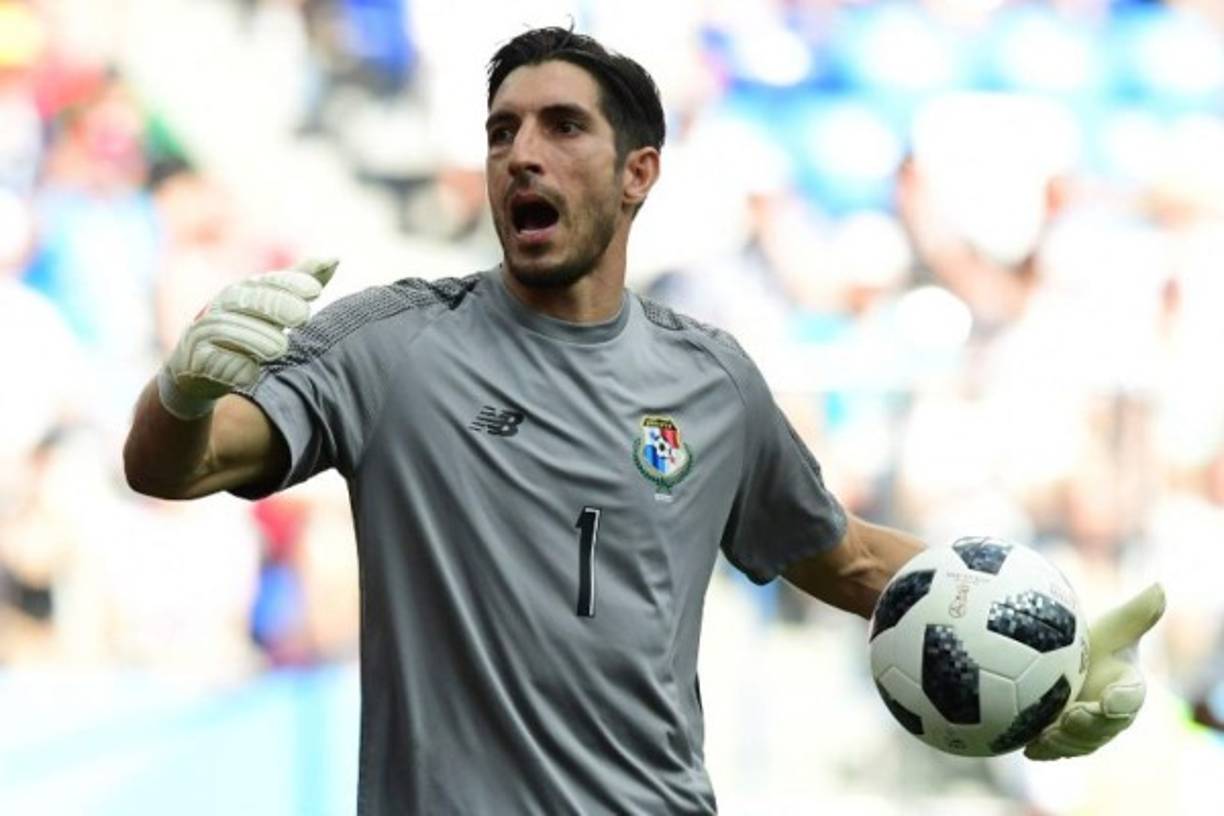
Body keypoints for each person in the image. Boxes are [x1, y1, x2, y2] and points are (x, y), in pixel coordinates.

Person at [123, 26, 1165, 815]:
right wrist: (184, 393)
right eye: (500, 132)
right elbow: (176, 469)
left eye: (561, 127)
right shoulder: (388, 349)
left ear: (638, 174)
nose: (520, 155)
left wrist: (1044, 653)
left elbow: (843, 558)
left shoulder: (709, 379)